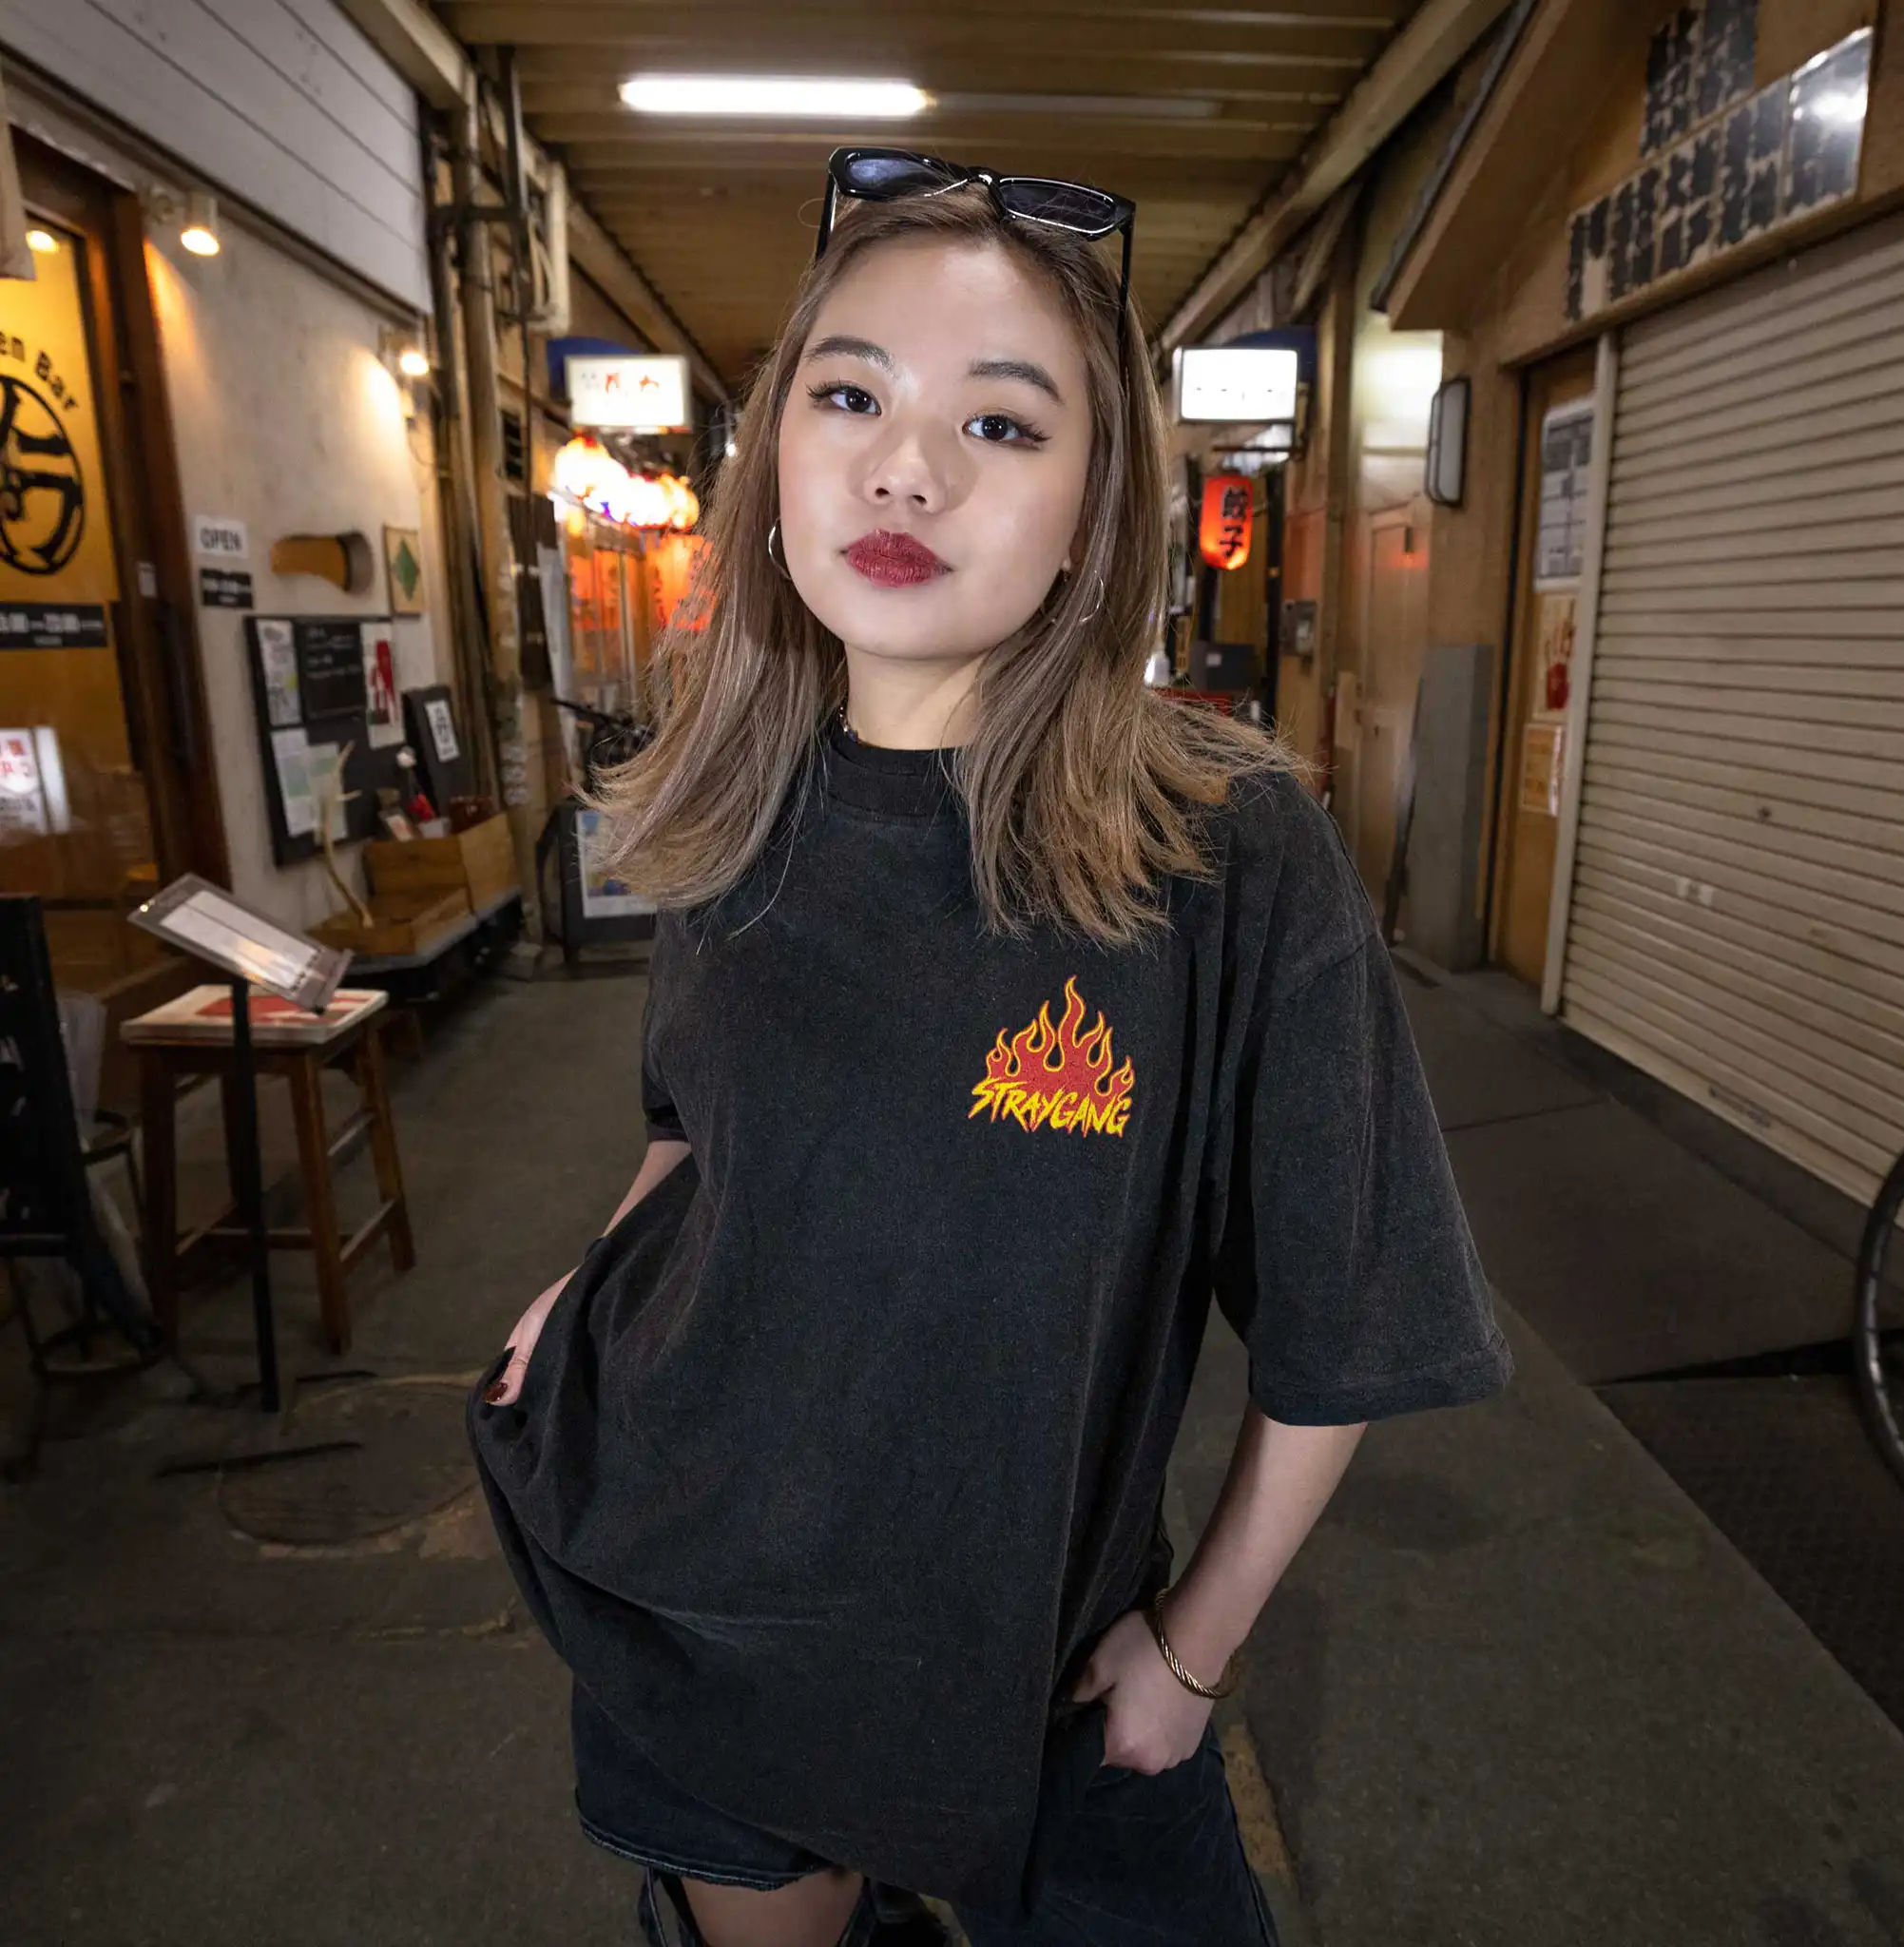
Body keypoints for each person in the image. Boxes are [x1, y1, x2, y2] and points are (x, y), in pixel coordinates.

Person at [469, 146, 1513, 1947]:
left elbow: (1351, 1324)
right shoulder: (735, 801)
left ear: (1102, 508)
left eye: (1007, 425)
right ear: (776, 465)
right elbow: (688, 1125)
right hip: (707, 1608)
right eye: (849, 393)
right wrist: (589, 1283)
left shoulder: (1220, 847)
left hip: (1044, 1669)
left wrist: (1194, 1654)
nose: (907, 464)